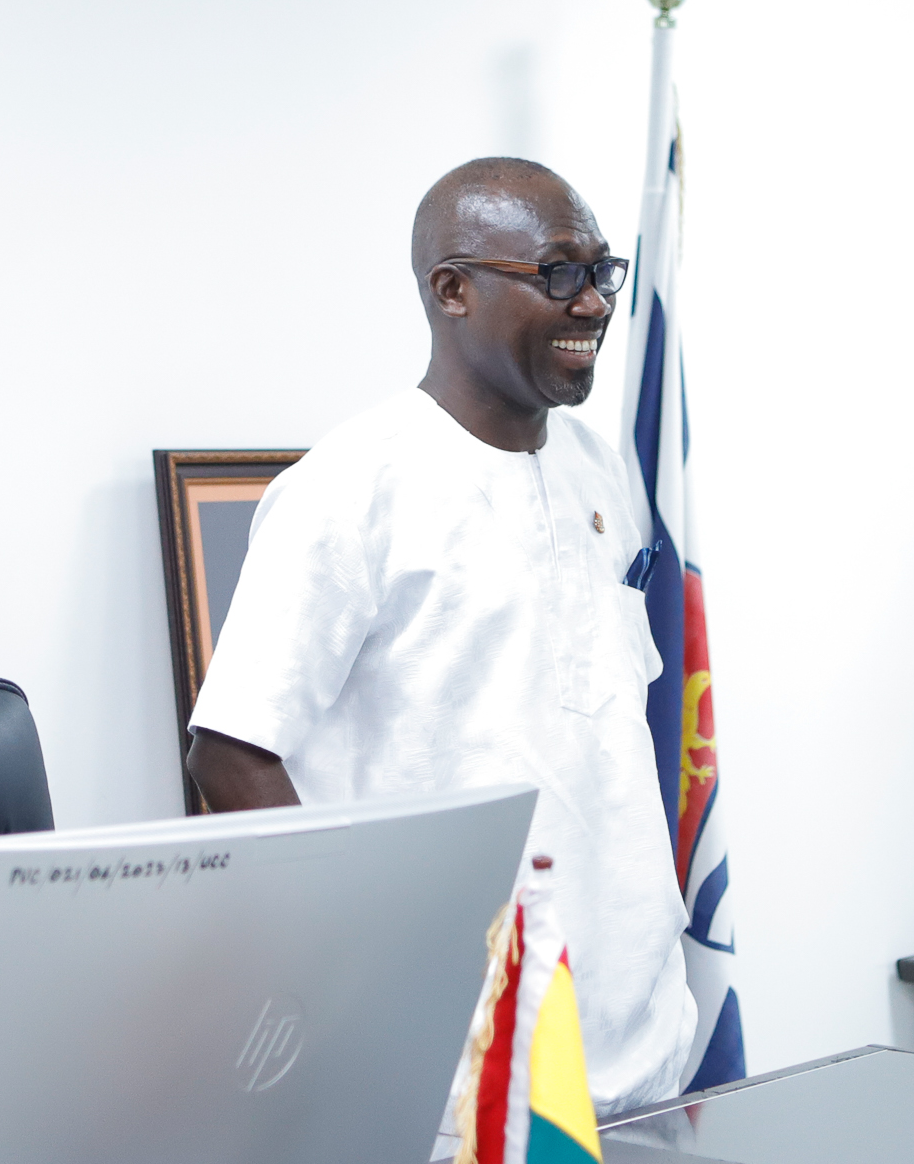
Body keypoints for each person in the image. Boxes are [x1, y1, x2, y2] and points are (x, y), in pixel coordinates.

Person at [186, 157, 696, 1114]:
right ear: (451, 291)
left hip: (636, 1043)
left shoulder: (600, 474)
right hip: (454, 1069)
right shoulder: (350, 488)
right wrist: (358, 979)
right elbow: (230, 751)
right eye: (555, 274)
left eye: (601, 272)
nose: (591, 303)